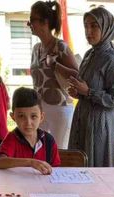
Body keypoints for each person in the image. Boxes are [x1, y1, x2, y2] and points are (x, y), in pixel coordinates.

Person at [68, 6, 114, 167]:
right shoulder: (88, 55)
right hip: (83, 119)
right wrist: (78, 93)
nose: (88, 31)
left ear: (106, 27)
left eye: (94, 26)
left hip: (101, 126)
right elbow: (86, 89)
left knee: (98, 171)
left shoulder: (112, 60)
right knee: (79, 168)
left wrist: (88, 92)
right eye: (86, 26)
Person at [29, 0, 80, 149]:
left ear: (45, 22)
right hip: (40, 110)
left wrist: (55, 65)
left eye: (32, 20)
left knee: (59, 153)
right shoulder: (36, 48)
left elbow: (78, 76)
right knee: (41, 151)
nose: (29, 24)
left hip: (60, 109)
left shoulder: (61, 46)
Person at [0, 87, 61, 174]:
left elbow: (56, 169)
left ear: (41, 117)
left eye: (33, 116)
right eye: (21, 116)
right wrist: (30, 162)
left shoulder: (48, 140)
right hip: (17, 186)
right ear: (13, 117)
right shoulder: (12, 138)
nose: (28, 123)